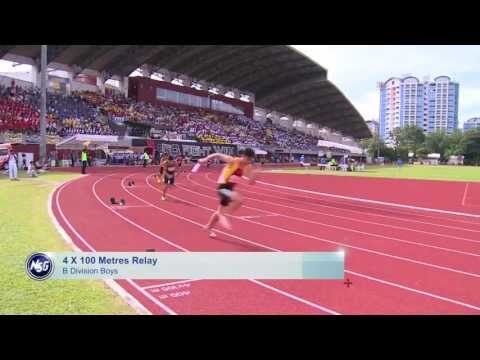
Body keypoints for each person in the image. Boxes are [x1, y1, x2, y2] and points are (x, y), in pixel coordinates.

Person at [198, 148, 256, 238]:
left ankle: (208, 226)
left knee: (219, 211)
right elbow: (217, 155)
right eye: (248, 159)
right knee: (239, 199)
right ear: (243, 156)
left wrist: (253, 175)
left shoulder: (247, 166)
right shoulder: (233, 160)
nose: (249, 162)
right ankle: (226, 215)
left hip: (230, 188)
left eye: (251, 160)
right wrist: (205, 159)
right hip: (222, 187)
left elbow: (251, 182)